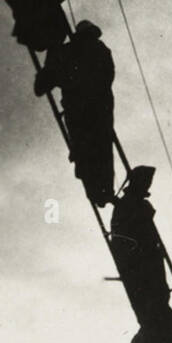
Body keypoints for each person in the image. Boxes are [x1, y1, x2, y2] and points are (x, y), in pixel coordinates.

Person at [34, 20, 115, 205]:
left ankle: (98, 193)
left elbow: (42, 85)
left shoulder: (68, 52)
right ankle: (102, 192)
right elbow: (107, 77)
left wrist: (52, 57)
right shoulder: (101, 50)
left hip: (80, 110)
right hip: (99, 109)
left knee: (86, 150)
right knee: (100, 148)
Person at [109, 166, 171, 343]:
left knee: (159, 294)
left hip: (146, 258)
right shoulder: (128, 205)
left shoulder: (135, 205)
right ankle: (152, 334)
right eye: (146, 181)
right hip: (139, 261)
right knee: (151, 297)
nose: (148, 184)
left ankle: (156, 333)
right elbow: (122, 236)